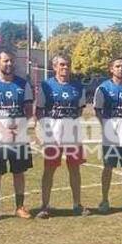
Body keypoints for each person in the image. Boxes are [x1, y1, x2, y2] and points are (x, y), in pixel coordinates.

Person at [0, 50, 34, 221]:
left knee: (19, 172)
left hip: (19, 137)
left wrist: (18, 129)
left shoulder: (23, 84)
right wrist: (3, 130)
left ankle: (20, 207)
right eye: (5, 61)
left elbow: (28, 111)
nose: (9, 64)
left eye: (11, 61)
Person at [35, 53, 89, 218]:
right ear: (54, 67)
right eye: (62, 65)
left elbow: (80, 109)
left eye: (67, 65)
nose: (65, 68)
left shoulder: (78, 86)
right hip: (53, 134)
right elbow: (39, 111)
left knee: (74, 169)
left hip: (72, 133)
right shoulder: (46, 86)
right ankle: (44, 206)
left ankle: (77, 205)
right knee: (49, 170)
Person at [93, 56, 122, 213]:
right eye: (118, 66)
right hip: (110, 135)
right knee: (108, 167)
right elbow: (97, 110)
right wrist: (106, 127)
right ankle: (104, 200)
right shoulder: (103, 88)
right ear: (111, 69)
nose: (121, 68)